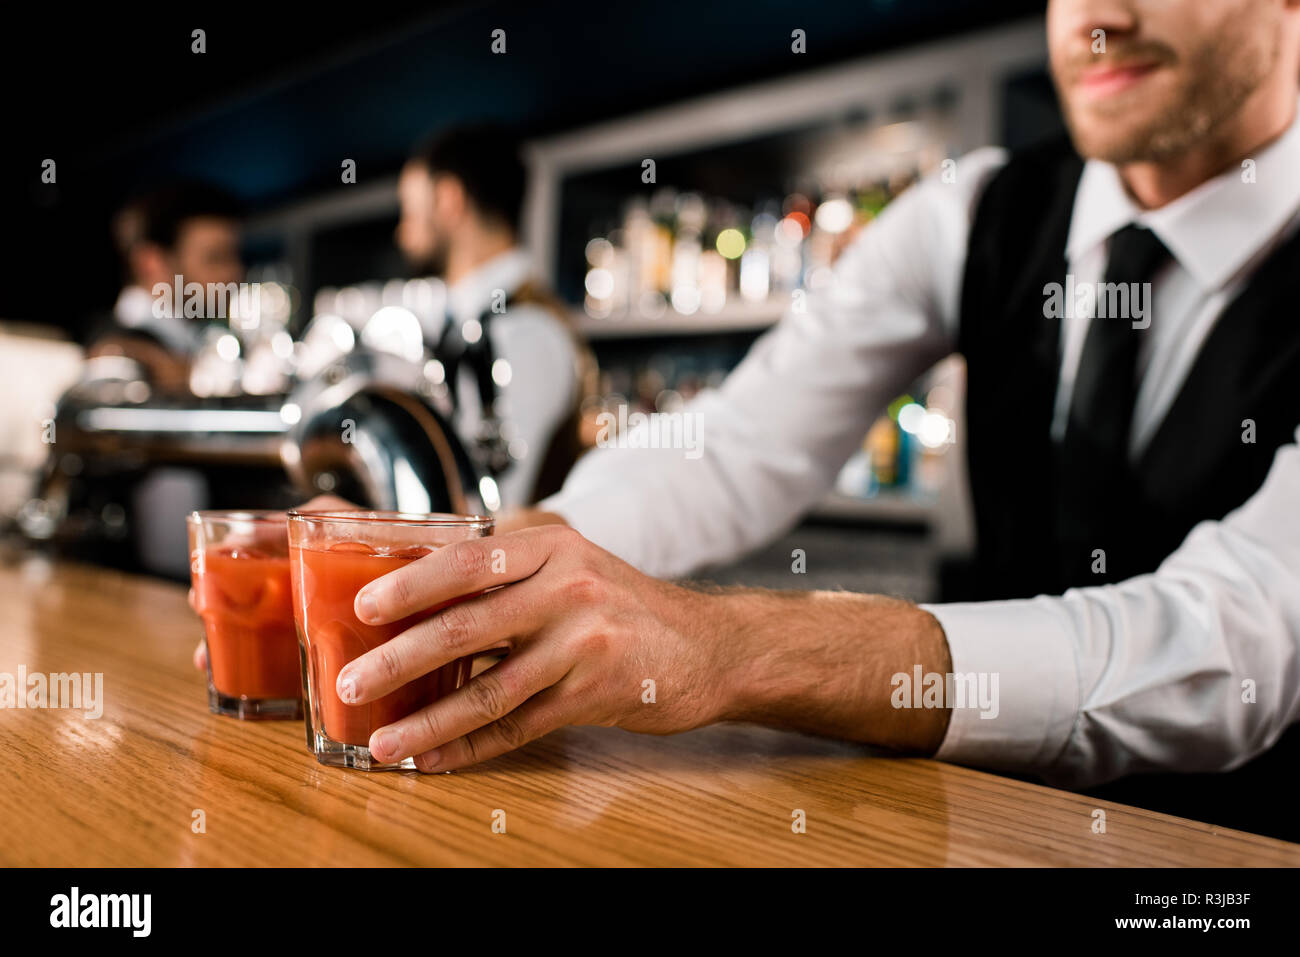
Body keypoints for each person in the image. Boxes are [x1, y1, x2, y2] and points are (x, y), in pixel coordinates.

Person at [204, 0, 1300, 839]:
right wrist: (488, 569)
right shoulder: (977, 212)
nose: (1099, 15)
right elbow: (731, 448)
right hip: (991, 830)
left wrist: (724, 647)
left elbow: (1237, 635)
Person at [395, 125, 592, 507]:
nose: (401, 232)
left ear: (449, 199)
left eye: (409, 210)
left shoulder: (524, 332)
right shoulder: (479, 324)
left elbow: (487, 514)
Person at [88, 182, 245, 393]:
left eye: (235, 257)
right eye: (215, 258)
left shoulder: (189, 346)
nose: (233, 273)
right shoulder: (115, 359)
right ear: (151, 263)